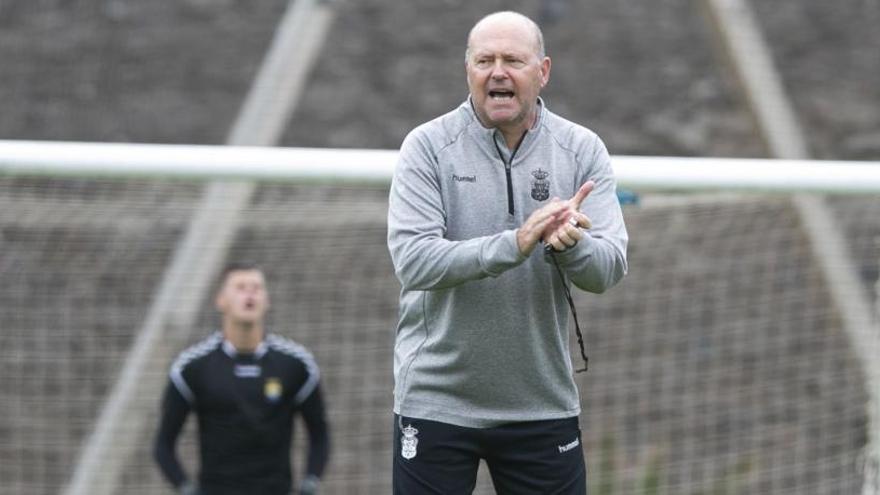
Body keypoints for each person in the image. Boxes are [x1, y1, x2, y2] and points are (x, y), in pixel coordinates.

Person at [386, 10, 628, 494]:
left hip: (541, 403)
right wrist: (513, 244)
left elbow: (609, 269)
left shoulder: (581, 149)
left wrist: (571, 247)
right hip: (436, 401)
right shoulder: (428, 147)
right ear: (468, 71)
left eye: (513, 60)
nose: (498, 71)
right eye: (484, 60)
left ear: (543, 71)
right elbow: (412, 260)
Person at [153, 263, 330, 495]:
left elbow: (320, 435)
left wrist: (309, 485)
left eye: (256, 288)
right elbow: (163, 445)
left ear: (267, 300)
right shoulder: (192, 367)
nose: (250, 294)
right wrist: (186, 489)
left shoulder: (296, 365)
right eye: (240, 287)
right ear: (221, 300)